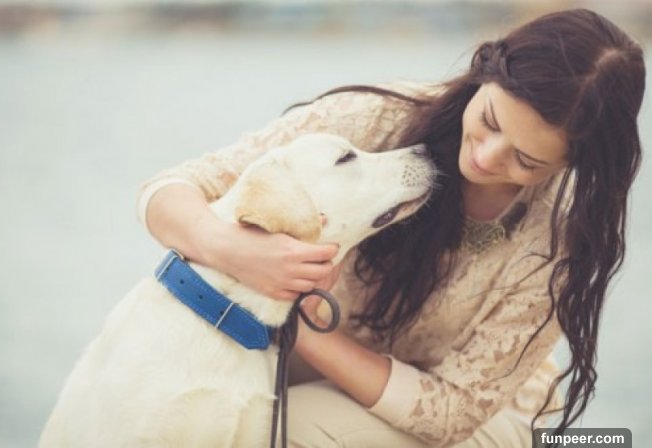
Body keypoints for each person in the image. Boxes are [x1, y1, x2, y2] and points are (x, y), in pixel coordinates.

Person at [137, 8, 645, 447]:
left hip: (479, 423)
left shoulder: (560, 235)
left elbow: (451, 412)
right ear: (485, 70)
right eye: (490, 121)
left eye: (526, 160)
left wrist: (296, 323)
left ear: (570, 164)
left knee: (283, 427)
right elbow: (170, 190)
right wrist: (232, 251)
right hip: (312, 372)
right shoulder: (377, 120)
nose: (487, 158)